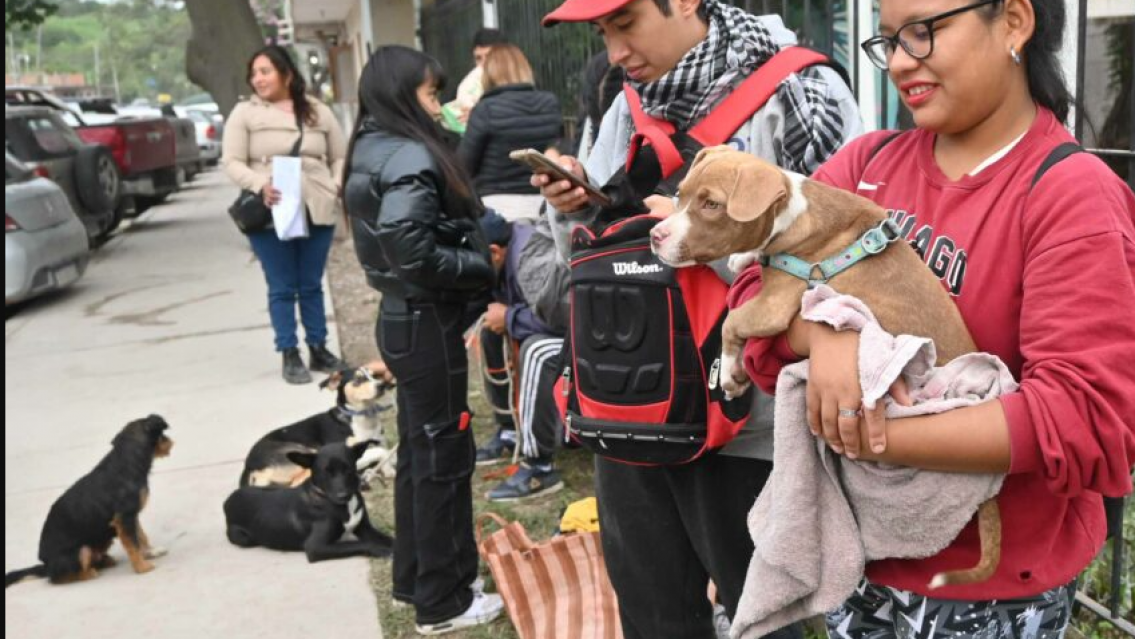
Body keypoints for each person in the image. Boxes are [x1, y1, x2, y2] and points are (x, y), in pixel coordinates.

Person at [736, 0, 1135, 637]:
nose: (898, 62)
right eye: (888, 40)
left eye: (923, 33)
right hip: (861, 559)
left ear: (1013, 21)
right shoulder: (867, 167)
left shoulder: (1069, 194)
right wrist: (825, 332)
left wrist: (866, 431)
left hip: (989, 586)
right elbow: (757, 288)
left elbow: (1082, 418)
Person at [537, 0, 862, 637]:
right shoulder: (622, 103)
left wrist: (702, 240)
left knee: (762, 615)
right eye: (603, 33)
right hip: (627, 405)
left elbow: (845, 253)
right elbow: (590, 254)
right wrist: (573, 206)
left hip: (743, 420)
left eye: (625, 24)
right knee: (653, 611)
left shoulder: (798, 92)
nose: (615, 52)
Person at [342, 45, 504, 635]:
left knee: (422, 456)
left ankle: (423, 581)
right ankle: (445, 601)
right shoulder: (410, 152)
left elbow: (400, 239)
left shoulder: (372, 143)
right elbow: (408, 245)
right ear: (402, 94)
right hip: (425, 320)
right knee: (440, 458)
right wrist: (476, 267)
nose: (440, 104)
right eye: (432, 93)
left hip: (404, 320)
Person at [222, 45, 346, 385]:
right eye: (254, 73)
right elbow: (231, 161)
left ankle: (319, 348)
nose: (258, 79)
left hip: (315, 204)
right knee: (281, 285)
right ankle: (289, 352)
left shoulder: (317, 111)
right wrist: (259, 183)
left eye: (265, 71)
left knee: (310, 283)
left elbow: (340, 155)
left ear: (287, 74)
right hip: (270, 209)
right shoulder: (244, 113)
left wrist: (335, 184)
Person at [473, 211, 569, 501]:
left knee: (537, 351)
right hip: (554, 322)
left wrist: (512, 317)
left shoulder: (527, 257)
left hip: (583, 332)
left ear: (495, 252)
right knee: (490, 328)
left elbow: (561, 316)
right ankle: (509, 430)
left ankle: (539, 467)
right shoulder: (503, 251)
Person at [458, 45, 563, 221]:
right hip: (544, 201)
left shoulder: (485, 109)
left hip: (498, 206)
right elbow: (557, 144)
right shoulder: (550, 102)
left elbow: (464, 166)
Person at [443, 28, 510, 127]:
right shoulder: (465, 88)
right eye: (479, 58)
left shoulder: (523, 84)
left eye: (490, 56)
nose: (484, 63)